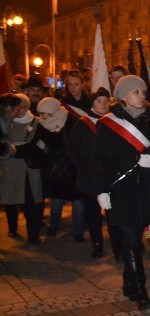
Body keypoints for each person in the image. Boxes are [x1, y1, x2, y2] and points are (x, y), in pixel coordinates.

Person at [93, 76, 150, 310]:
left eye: (143, 92)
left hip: (147, 189)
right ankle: (141, 291)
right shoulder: (108, 123)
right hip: (122, 190)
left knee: (139, 240)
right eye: (136, 92)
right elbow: (101, 160)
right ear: (122, 96)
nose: (142, 96)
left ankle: (129, 281)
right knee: (131, 239)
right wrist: (102, 190)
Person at [27, 97, 85, 242]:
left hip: (71, 167)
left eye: (44, 113)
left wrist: (48, 149)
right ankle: (53, 227)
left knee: (77, 201)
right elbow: (38, 145)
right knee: (57, 200)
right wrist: (44, 150)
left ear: (53, 111)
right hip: (55, 169)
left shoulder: (70, 121)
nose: (41, 116)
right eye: (40, 113)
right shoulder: (42, 125)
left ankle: (78, 232)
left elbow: (76, 145)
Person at [67, 88, 116, 259]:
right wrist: (83, 167)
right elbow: (72, 149)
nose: (103, 104)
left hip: (111, 176)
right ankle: (97, 244)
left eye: (106, 101)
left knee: (113, 213)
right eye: (99, 101)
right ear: (92, 103)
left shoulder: (114, 121)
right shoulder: (82, 123)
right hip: (89, 177)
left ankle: (118, 247)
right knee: (93, 214)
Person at [0, 94, 42, 243]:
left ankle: (33, 234)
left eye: (24, 107)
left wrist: (16, 149)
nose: (20, 112)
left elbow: (36, 144)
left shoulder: (35, 121)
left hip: (28, 169)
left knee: (31, 201)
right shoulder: (5, 122)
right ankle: (13, 228)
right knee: (11, 199)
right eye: (18, 108)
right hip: (10, 167)